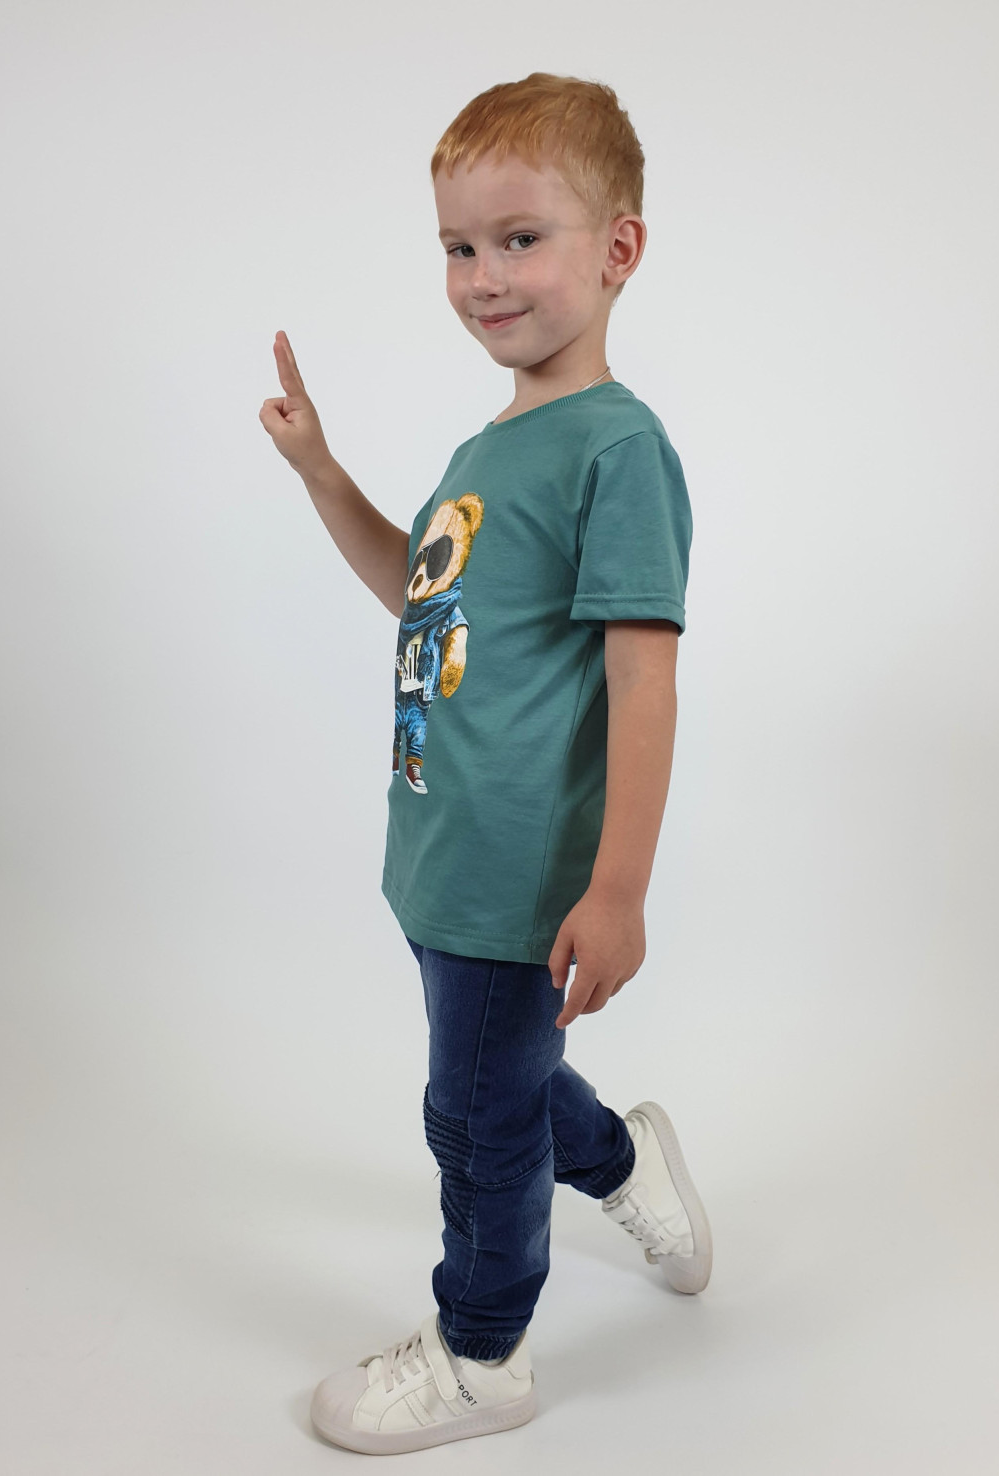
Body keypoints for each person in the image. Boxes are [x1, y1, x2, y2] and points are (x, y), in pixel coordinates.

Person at [259, 70, 712, 1456]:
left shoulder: (618, 449)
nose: (483, 277)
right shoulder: (490, 444)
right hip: (442, 853)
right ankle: (626, 1161)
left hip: (524, 871)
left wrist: (617, 888)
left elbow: (643, 679)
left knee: (474, 1119)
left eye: (520, 238)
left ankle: (482, 1352)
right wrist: (322, 471)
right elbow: (421, 597)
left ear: (618, 248)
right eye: (459, 246)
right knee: (497, 1078)